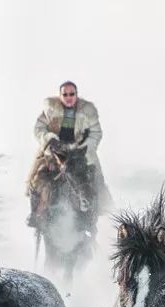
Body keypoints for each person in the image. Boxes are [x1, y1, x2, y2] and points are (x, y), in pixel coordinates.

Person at [27, 81, 111, 227]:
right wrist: (50, 140)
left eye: (71, 94)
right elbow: (39, 128)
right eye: (65, 94)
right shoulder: (50, 110)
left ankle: (96, 210)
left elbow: (96, 133)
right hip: (54, 153)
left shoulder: (87, 111)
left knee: (94, 177)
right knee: (38, 178)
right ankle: (36, 214)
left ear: (76, 95)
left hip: (79, 153)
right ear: (60, 96)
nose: (68, 97)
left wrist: (84, 147)